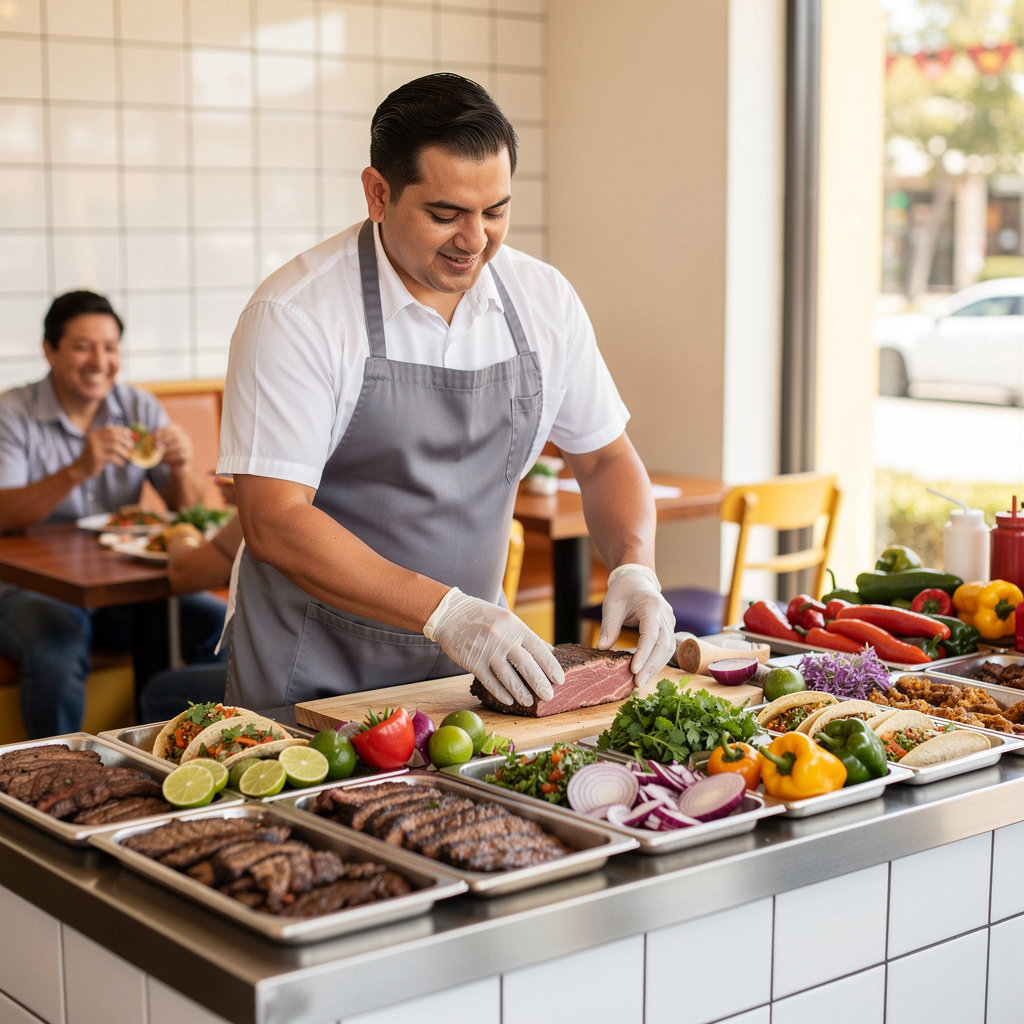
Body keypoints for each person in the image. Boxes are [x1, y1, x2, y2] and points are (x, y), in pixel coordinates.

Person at [218, 72, 675, 712]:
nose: (475, 239)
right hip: (314, 670)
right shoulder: (297, 313)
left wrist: (635, 566)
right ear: (378, 194)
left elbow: (603, 458)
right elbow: (274, 519)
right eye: (445, 214)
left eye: (496, 211)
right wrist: (449, 613)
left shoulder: (543, 300)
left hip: (472, 680)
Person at [0, 290, 228, 737]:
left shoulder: (138, 407)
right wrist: (78, 469)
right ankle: (56, 779)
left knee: (220, 626)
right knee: (58, 645)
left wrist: (181, 467)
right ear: (50, 350)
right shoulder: (13, 414)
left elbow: (196, 512)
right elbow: (4, 514)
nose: (98, 361)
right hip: (26, 589)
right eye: (83, 346)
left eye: (109, 348)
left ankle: (176, 755)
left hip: (123, 589)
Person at [137, 486, 243, 723]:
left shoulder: (265, 499)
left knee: (159, 692)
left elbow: (185, 574)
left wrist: (181, 538)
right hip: (333, 666)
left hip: (287, 677)